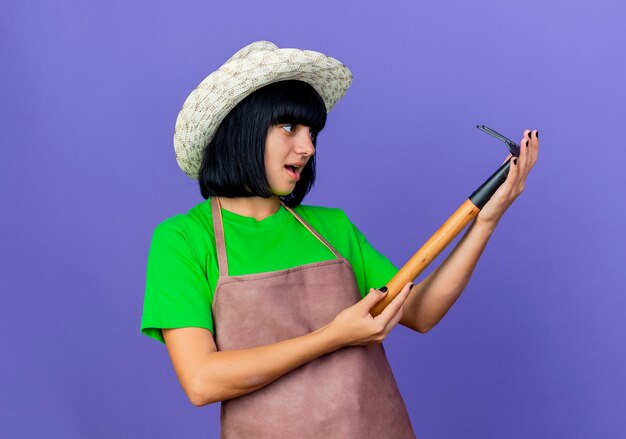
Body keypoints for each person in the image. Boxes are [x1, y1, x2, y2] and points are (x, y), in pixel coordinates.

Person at [140, 41, 539, 438]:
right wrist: (332, 337)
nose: (307, 147)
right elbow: (202, 380)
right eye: (289, 127)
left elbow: (420, 311)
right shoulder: (184, 239)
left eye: (312, 133)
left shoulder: (333, 228)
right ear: (241, 127)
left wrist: (485, 221)